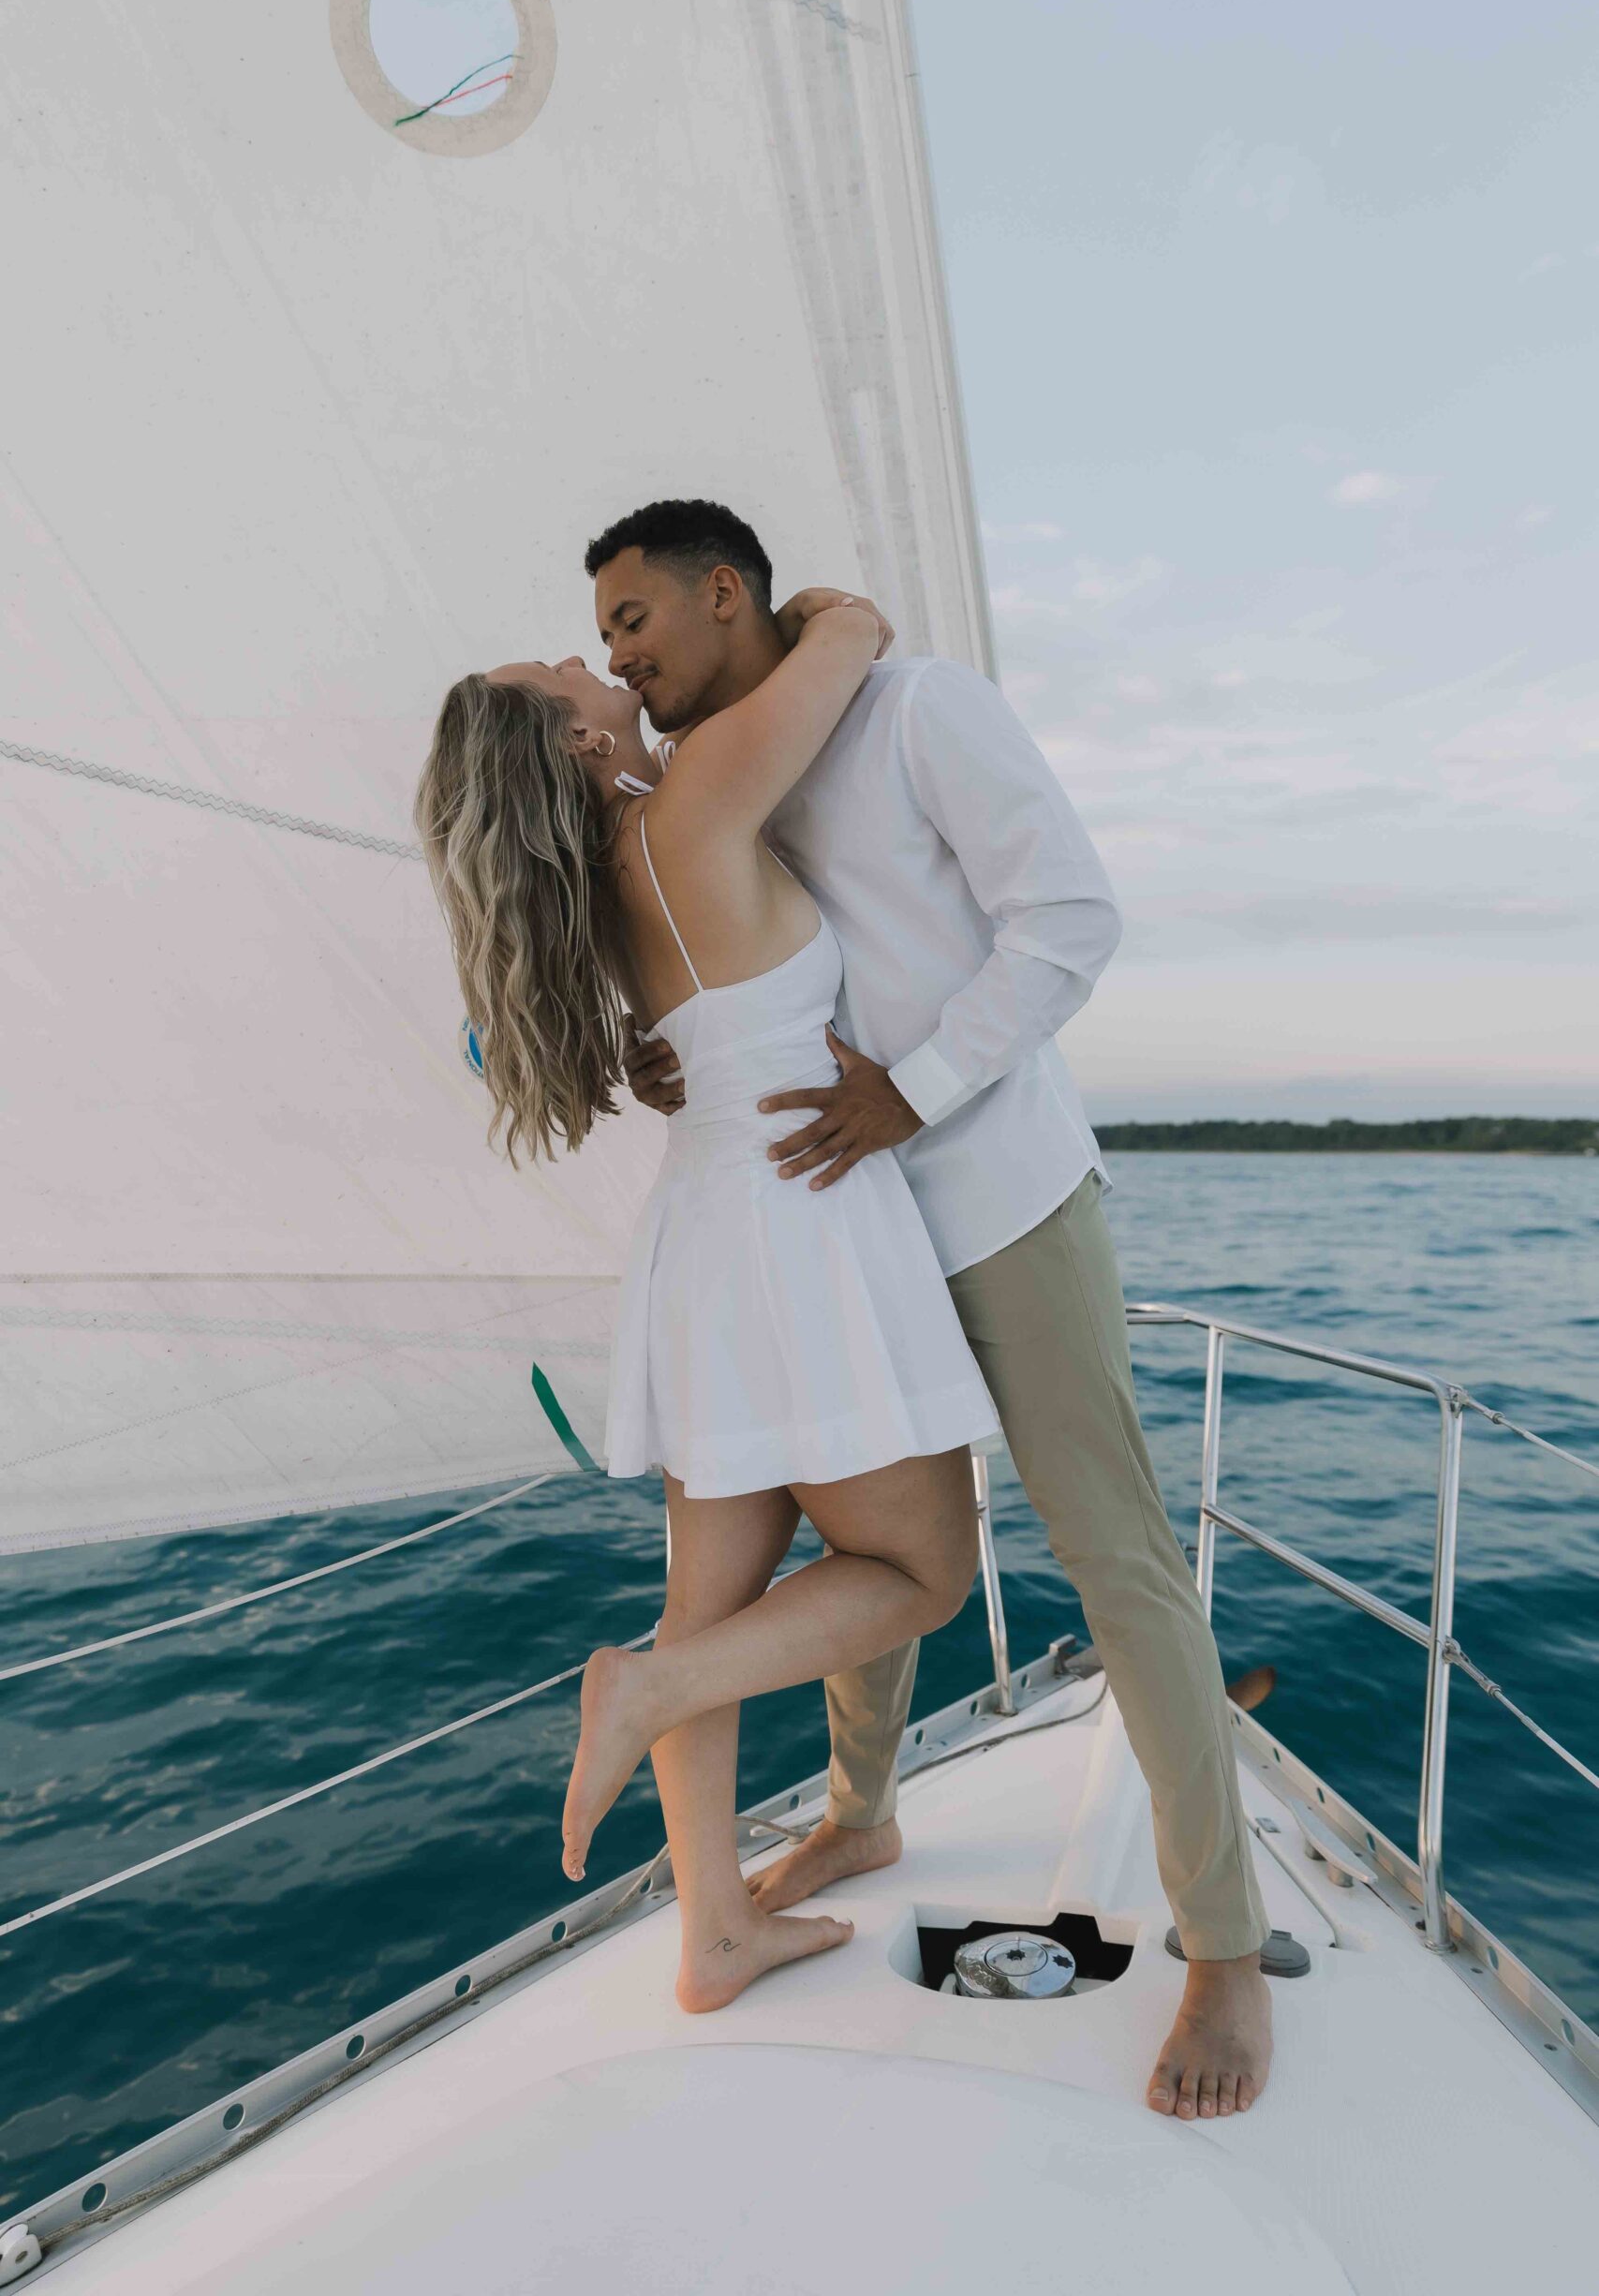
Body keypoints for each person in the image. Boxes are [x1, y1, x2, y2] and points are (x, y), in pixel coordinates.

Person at [604, 498, 1275, 2124]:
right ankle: (866, 1808)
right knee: (881, 1548)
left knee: (1116, 1563)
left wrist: (912, 1092)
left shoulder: (918, 708)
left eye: (637, 620)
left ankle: (1229, 1950)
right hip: (846, 1236)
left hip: (1003, 1207)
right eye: (606, 637)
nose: (624, 662)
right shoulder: (721, 774)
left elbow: (1073, 922)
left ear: (724, 593)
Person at [413, 576, 1000, 2018]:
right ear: (566, 748)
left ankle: (716, 1933)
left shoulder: (599, 890)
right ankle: (648, 1697)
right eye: (566, 670)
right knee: (925, 1571)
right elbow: (851, 638)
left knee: (708, 1611)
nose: (589, 659)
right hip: (797, 1219)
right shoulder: (686, 810)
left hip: (708, 1234)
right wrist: (802, 606)